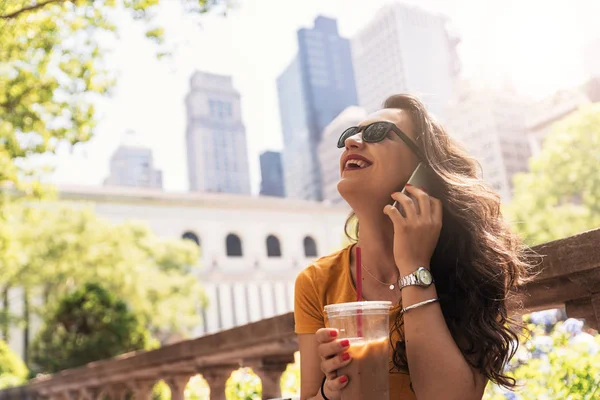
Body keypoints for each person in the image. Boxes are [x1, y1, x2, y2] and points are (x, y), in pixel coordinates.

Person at [294, 94, 531, 400]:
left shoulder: (468, 269)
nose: (352, 141)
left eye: (377, 133)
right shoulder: (316, 282)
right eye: (349, 134)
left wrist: (414, 268)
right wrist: (329, 392)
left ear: (424, 173)